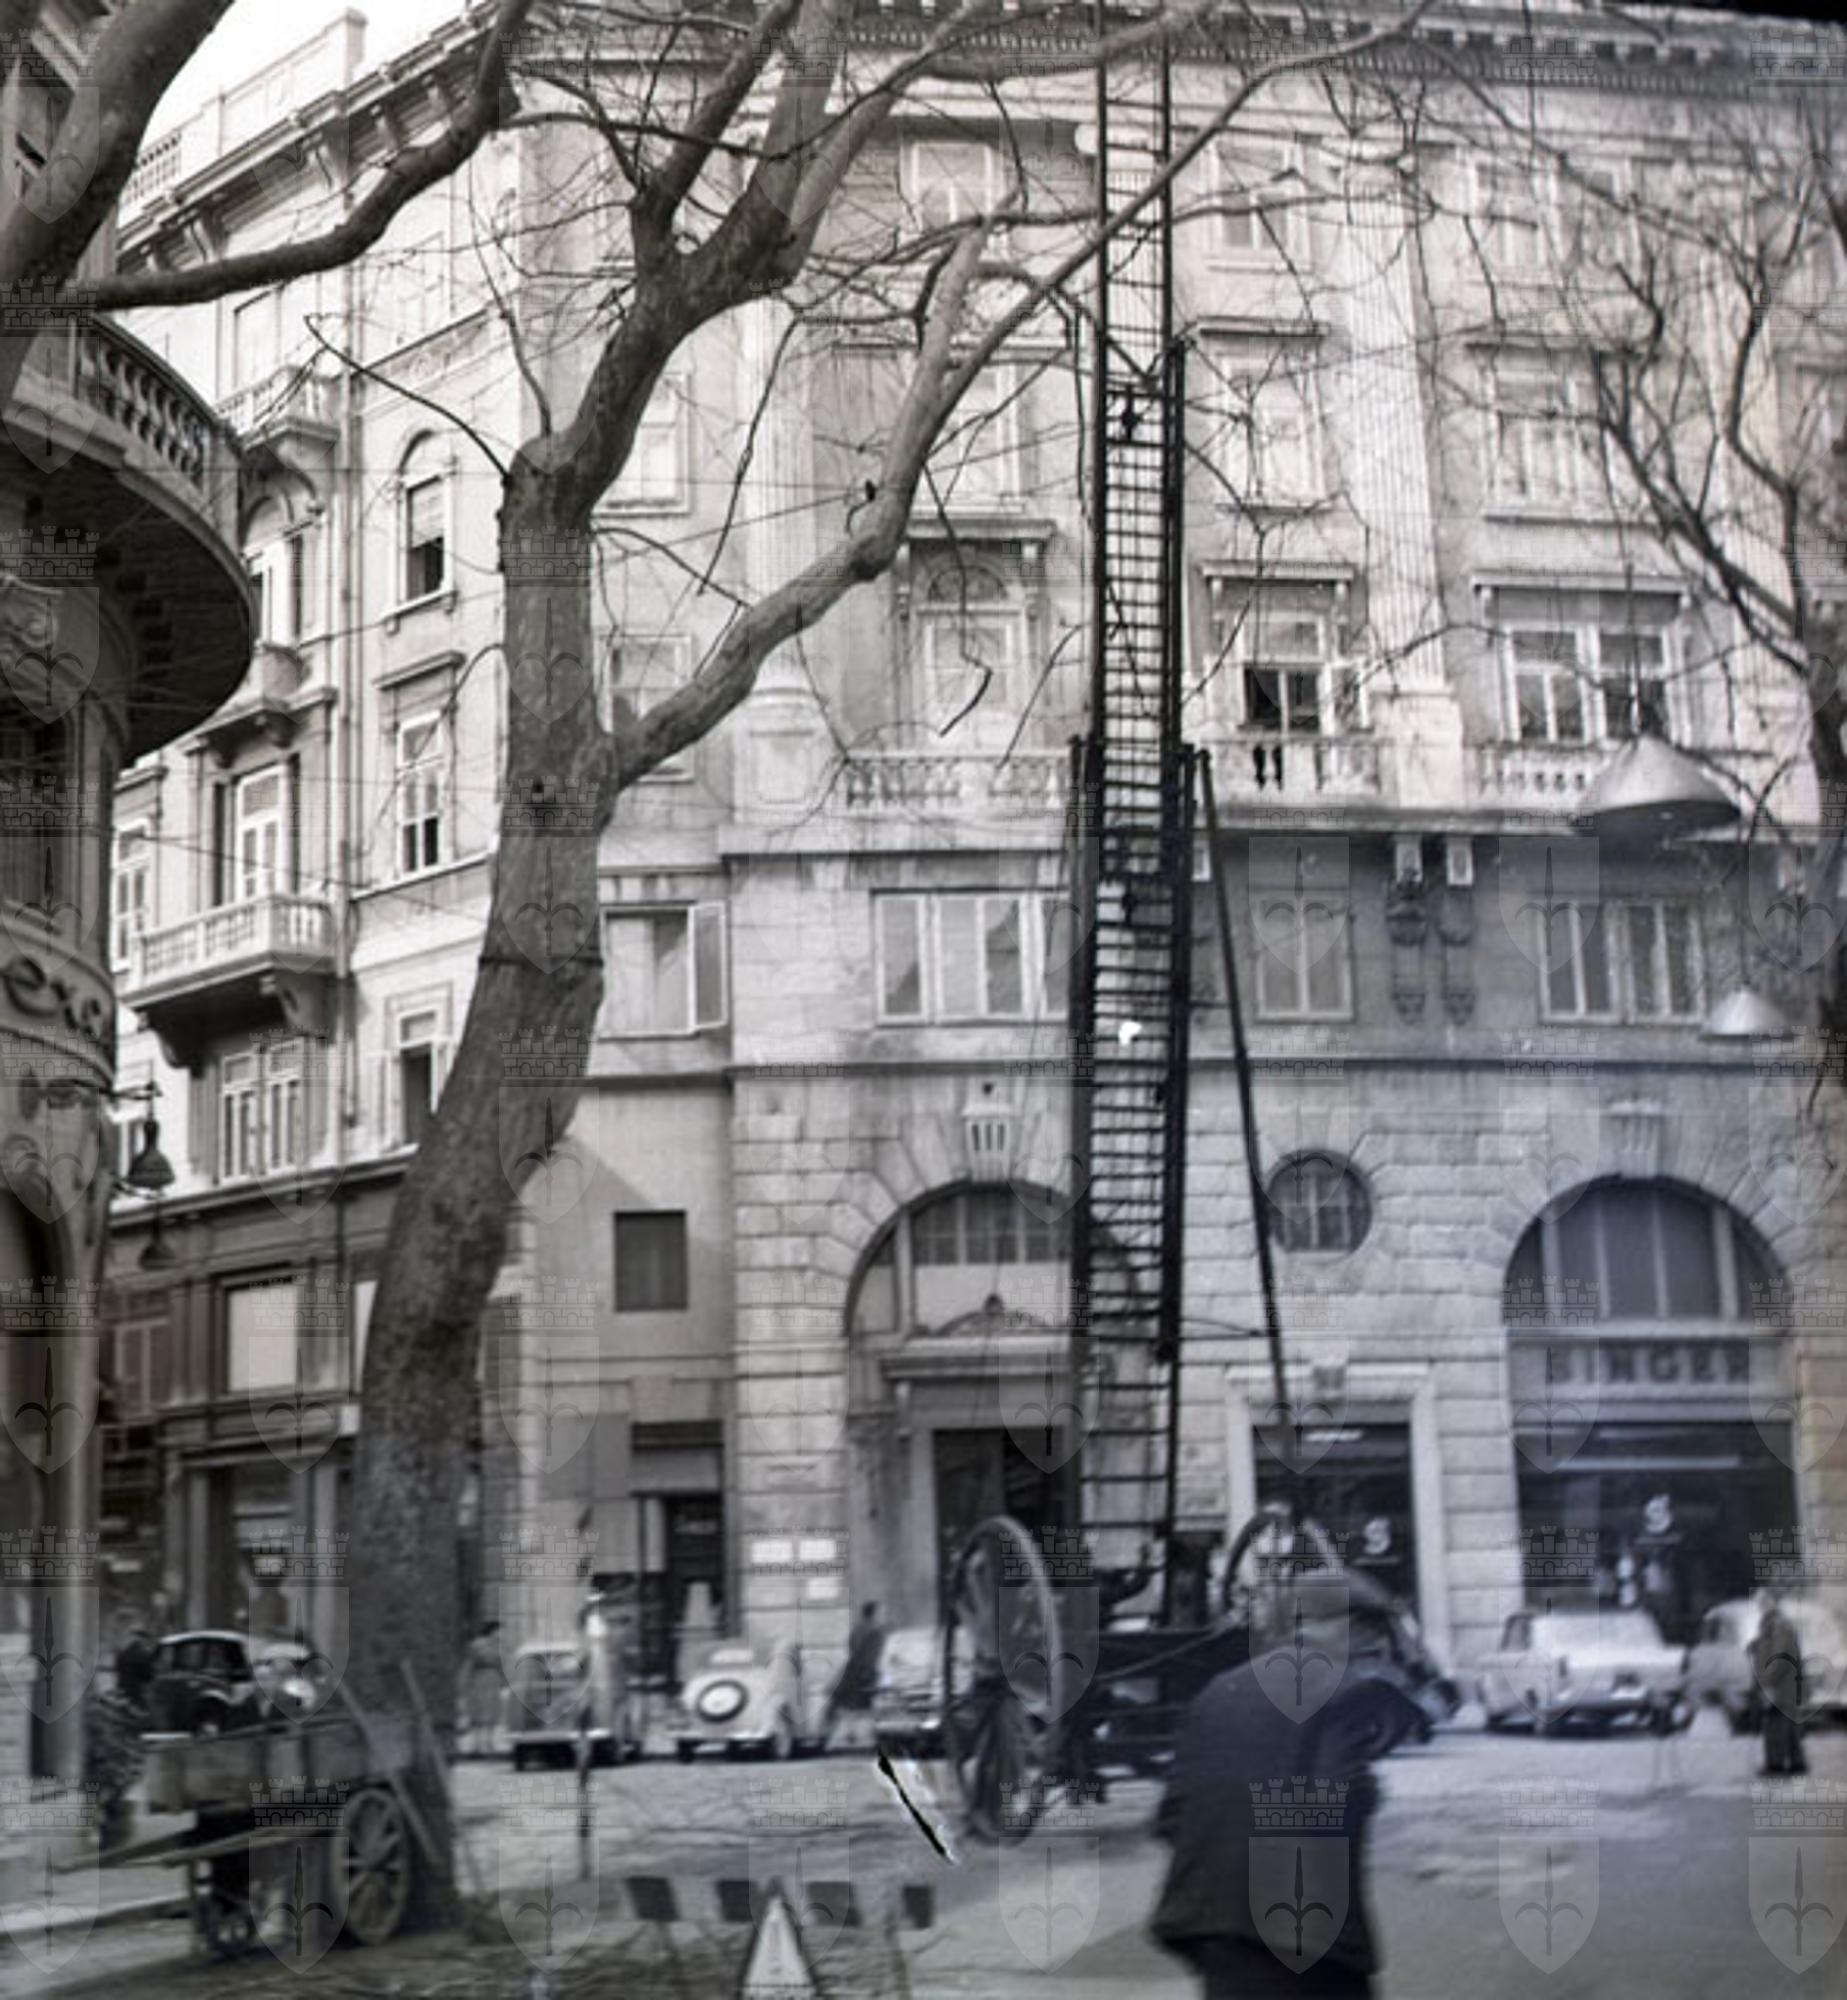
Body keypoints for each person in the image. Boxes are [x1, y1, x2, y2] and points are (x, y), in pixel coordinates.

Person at [1150, 1568, 1423, 1999]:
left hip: (1210, 1927)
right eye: (1367, 1630)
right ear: (1332, 1626)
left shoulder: (1219, 1690)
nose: (1374, 1645)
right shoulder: (1346, 1690)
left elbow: (1172, 1815)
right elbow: (1337, 1804)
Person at [85, 1636, 156, 1850]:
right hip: (116, 1767)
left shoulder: (107, 1704)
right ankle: (111, 1829)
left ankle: (104, 1826)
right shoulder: (134, 1709)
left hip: (107, 1762)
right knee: (118, 1780)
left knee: (108, 1782)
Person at [1752, 1595, 1807, 1778]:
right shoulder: (1772, 1624)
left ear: (1774, 1603)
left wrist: (1767, 1680)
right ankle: (1795, 1762)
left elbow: (1780, 1655)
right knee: (1786, 1723)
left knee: (1775, 1724)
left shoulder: (1779, 1625)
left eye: (1765, 1602)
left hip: (1780, 1684)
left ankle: (1776, 1764)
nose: (1761, 1606)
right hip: (1783, 1684)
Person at [828, 1602, 887, 1747]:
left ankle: (849, 1733)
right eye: (881, 1613)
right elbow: (873, 1656)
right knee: (870, 1704)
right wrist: (870, 1673)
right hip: (866, 1673)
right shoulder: (875, 1633)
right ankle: (867, 1735)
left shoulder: (856, 1629)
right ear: (873, 1614)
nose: (882, 1616)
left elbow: (851, 1648)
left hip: (852, 1670)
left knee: (849, 1705)